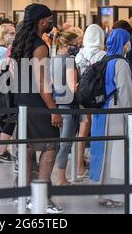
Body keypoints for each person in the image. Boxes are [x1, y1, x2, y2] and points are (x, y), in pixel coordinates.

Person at [10, 3, 63, 214]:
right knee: (50, 148)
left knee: (28, 148)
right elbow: (42, 82)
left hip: (22, 101)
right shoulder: (40, 46)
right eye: (49, 20)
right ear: (42, 21)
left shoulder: (20, 43)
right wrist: (53, 109)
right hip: (38, 104)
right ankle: (42, 198)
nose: (51, 23)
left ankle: (23, 195)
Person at [90, 28, 132, 208]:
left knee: (102, 153)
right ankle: (116, 195)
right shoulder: (121, 63)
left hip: (101, 112)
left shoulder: (102, 59)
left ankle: (102, 193)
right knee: (116, 155)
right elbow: (125, 91)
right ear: (124, 42)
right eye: (128, 41)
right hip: (116, 113)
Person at [75, 24, 106, 178]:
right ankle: (95, 164)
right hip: (97, 98)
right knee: (96, 130)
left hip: (82, 95)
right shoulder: (102, 55)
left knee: (82, 131)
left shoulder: (80, 54)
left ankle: (79, 165)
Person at [51, 31, 80, 186]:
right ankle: (61, 178)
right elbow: (72, 87)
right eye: (74, 44)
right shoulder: (69, 61)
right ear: (65, 44)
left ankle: (58, 175)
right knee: (66, 144)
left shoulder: (52, 60)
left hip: (57, 104)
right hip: (68, 106)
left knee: (59, 143)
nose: (77, 47)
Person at [0, 23, 16, 162]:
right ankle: (2, 151)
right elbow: (6, 69)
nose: (13, 36)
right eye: (11, 33)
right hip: (5, 89)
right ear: (3, 34)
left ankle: (2, 150)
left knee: (2, 119)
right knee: (9, 118)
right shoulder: (3, 51)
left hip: (0, 88)